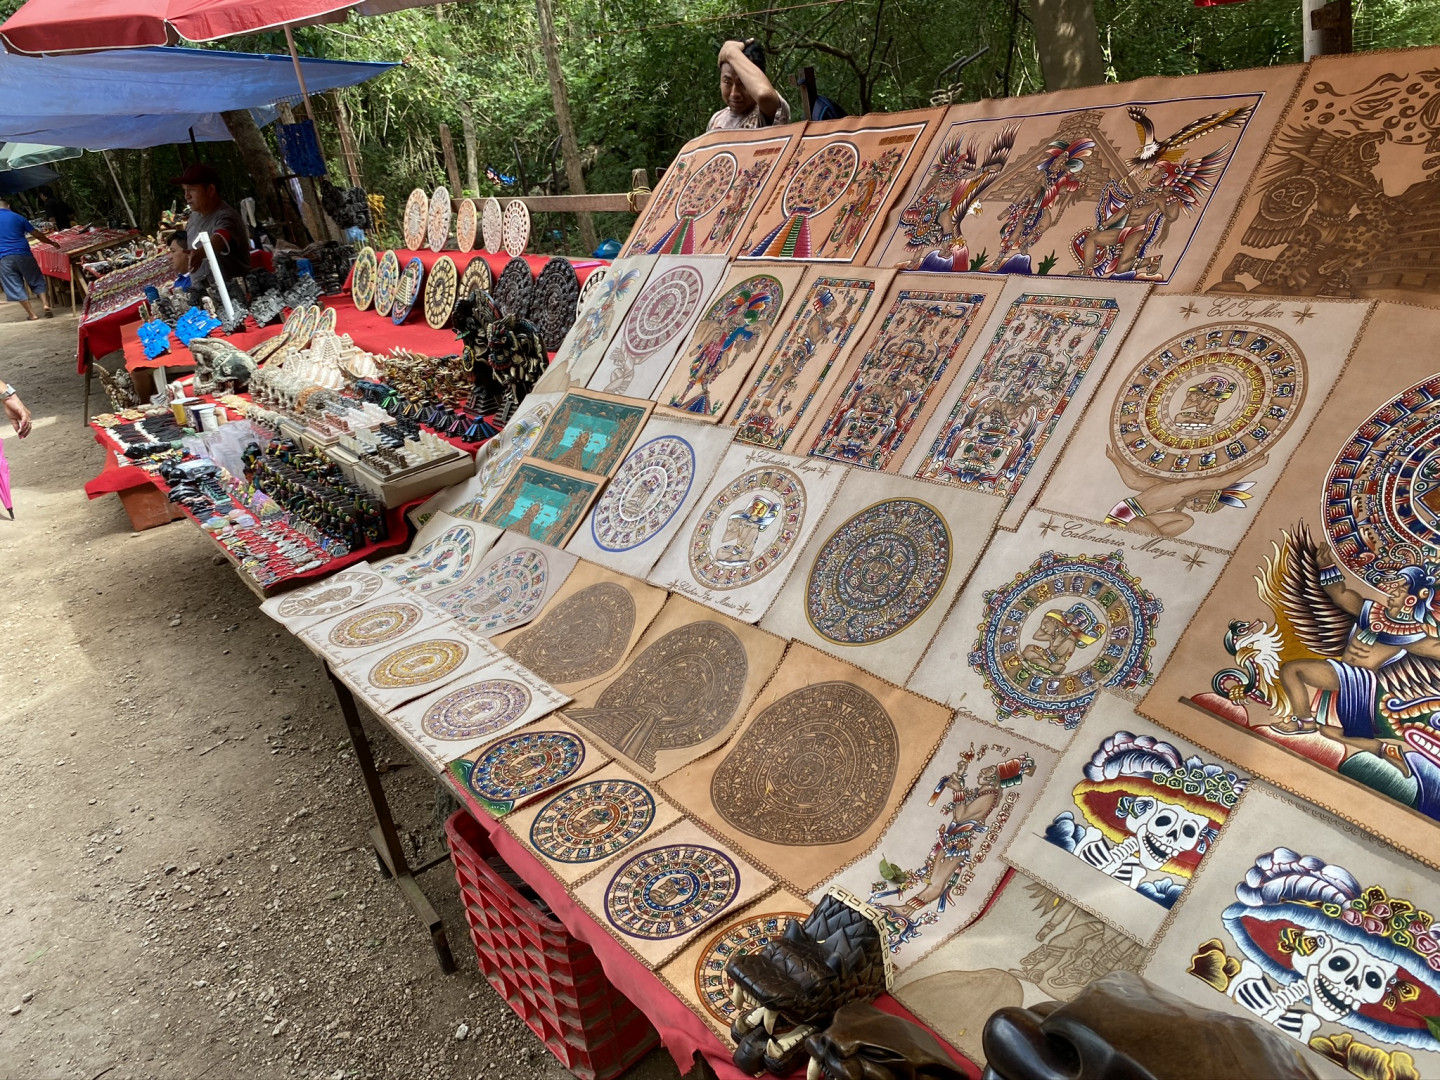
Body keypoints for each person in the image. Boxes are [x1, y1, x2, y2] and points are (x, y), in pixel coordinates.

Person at [173, 163, 251, 287]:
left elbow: (219, 239)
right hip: (205, 292)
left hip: (233, 292)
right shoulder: (194, 216)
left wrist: (200, 253)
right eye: (185, 190)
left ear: (210, 190)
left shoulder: (226, 217)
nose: (187, 196)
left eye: (192, 189)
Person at [707, 39, 791, 132]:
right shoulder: (716, 120)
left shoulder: (769, 110)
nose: (734, 94)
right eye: (727, 82)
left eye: (743, 83)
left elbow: (764, 94)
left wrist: (731, 52)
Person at [0, 197, 58, 320]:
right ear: (8, 206)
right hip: (24, 253)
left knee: (15, 285)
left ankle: (32, 314)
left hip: (4, 257)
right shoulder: (18, 217)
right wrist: (51, 242)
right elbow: (36, 234)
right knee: (36, 278)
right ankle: (46, 305)